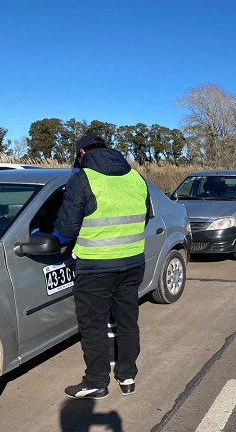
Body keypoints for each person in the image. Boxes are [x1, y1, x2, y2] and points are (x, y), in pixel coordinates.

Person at [55, 135, 150, 399]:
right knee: (128, 320)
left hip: (96, 267)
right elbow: (144, 218)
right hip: (132, 262)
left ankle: (96, 382)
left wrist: (57, 241)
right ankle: (127, 375)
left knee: (93, 325)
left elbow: (65, 229)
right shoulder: (135, 177)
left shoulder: (83, 178)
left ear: (82, 152)